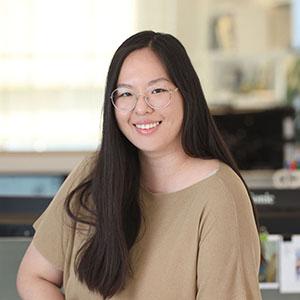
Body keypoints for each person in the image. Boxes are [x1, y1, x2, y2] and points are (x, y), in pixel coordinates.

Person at [16, 31, 262, 300]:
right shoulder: (94, 173)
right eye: (126, 94)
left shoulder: (219, 195)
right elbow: (35, 276)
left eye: (157, 90)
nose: (140, 108)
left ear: (186, 94)